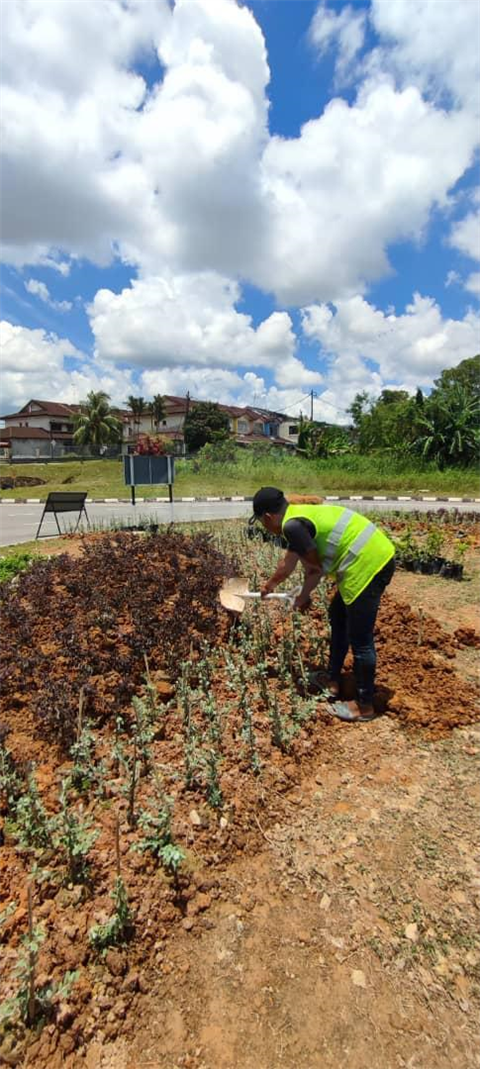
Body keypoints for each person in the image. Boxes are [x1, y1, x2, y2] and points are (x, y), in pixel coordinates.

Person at [252, 487, 395, 723]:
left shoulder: (292, 526)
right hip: (368, 559)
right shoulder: (295, 518)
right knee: (338, 616)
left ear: (267, 517)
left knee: (360, 639)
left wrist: (302, 597)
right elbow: (287, 564)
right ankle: (332, 680)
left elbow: (314, 569)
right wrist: (269, 586)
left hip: (370, 565)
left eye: (261, 522)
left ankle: (364, 705)